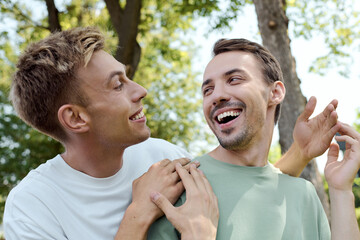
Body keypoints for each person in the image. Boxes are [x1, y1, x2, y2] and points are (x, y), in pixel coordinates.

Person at [3, 27, 340, 239]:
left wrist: (300, 153)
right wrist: (138, 214)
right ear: (76, 119)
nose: (140, 90)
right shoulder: (33, 206)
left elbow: (245, 195)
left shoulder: (162, 155)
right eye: (117, 85)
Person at [147, 38, 360, 239]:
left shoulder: (304, 195)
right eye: (207, 89)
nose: (216, 95)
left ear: (275, 93)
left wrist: (341, 190)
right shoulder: (180, 184)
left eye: (234, 79)